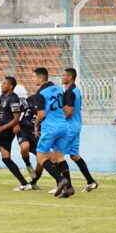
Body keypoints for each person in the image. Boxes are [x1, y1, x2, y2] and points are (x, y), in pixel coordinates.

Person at [32, 67, 75, 198]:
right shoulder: (58, 89)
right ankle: (69, 188)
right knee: (59, 157)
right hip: (63, 126)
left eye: (34, 77)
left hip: (50, 128)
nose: (33, 79)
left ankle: (60, 180)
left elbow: (42, 114)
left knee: (41, 157)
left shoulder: (40, 94)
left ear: (40, 78)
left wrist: (36, 125)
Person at [61, 68, 98, 192]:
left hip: (70, 126)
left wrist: (59, 115)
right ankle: (91, 182)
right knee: (74, 155)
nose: (62, 77)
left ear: (70, 77)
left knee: (57, 155)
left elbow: (69, 112)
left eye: (64, 75)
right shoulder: (76, 90)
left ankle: (66, 185)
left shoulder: (69, 92)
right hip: (76, 125)